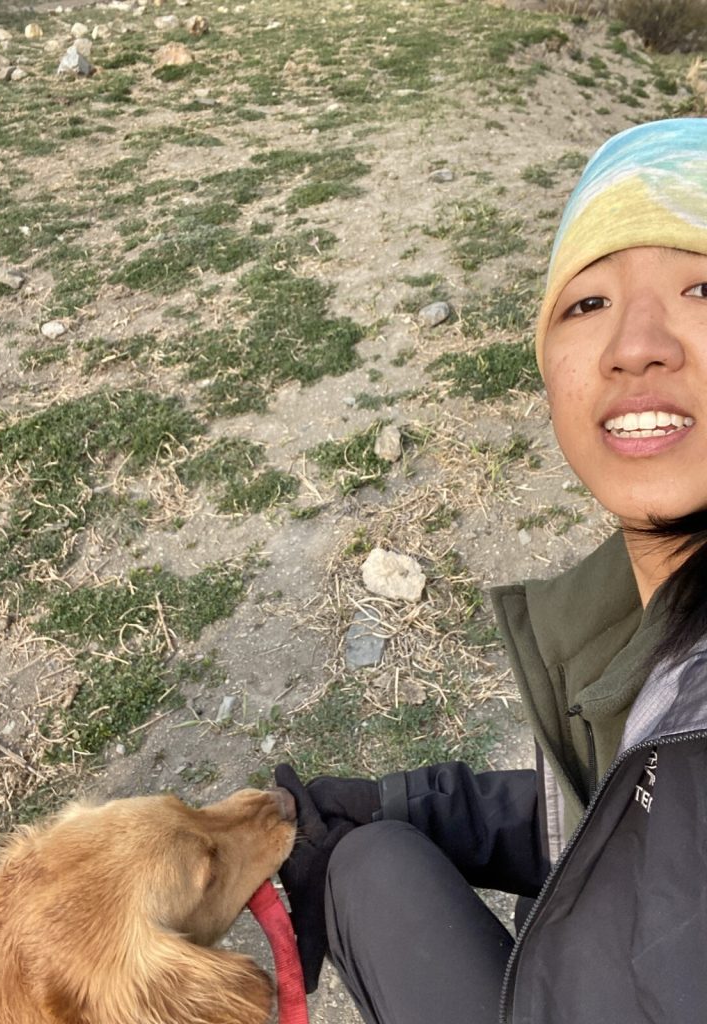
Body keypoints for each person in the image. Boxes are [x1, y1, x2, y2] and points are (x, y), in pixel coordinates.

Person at [274, 116, 707, 1024]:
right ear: (548, 369)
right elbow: (628, 809)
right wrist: (408, 805)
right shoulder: (636, 622)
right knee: (368, 858)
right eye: (588, 303)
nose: (636, 343)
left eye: (703, 286)